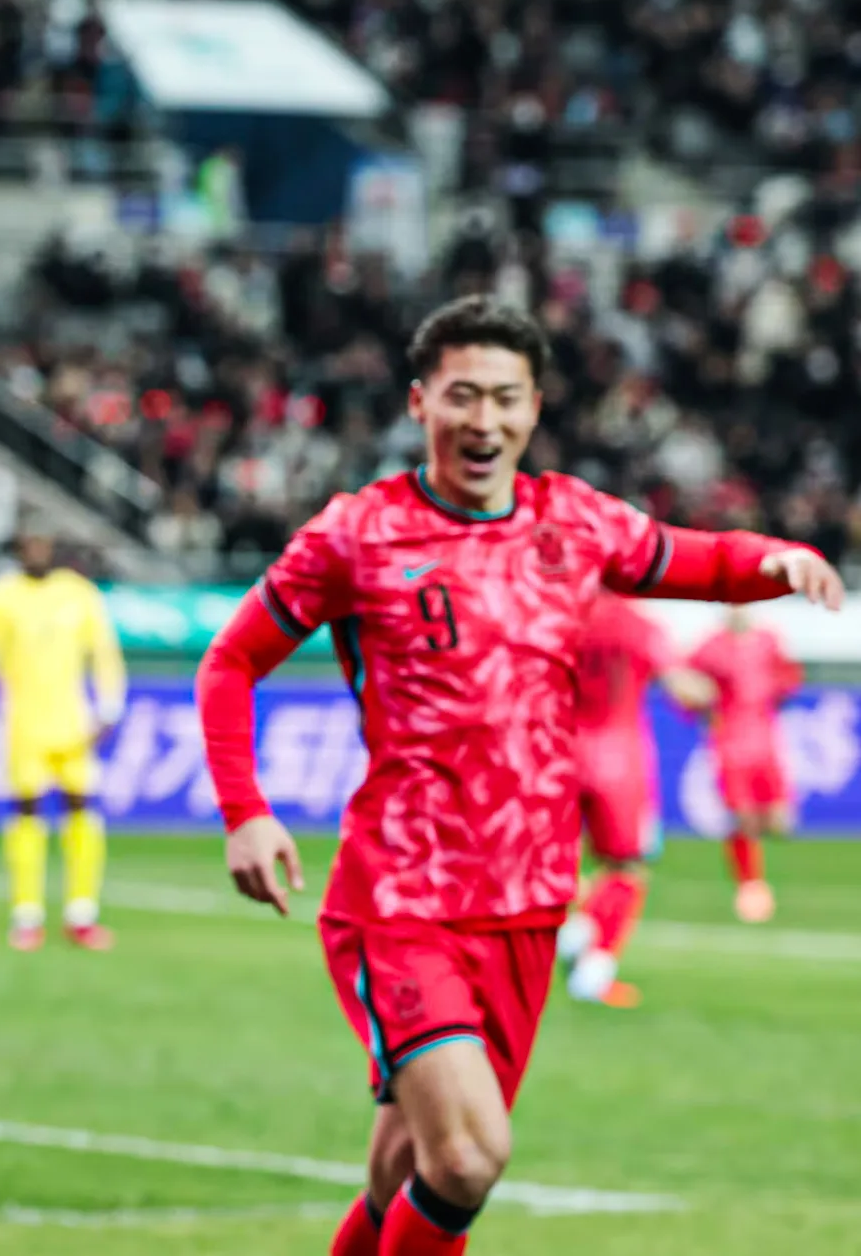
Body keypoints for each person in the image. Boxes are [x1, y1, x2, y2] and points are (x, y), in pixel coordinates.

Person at [194, 295, 842, 1256]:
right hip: (403, 898)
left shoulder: (573, 521)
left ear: (535, 408)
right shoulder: (357, 534)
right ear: (419, 402)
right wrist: (244, 809)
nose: (484, 420)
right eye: (462, 395)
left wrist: (777, 559)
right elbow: (230, 661)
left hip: (530, 903)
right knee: (467, 1160)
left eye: (505, 399)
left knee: (404, 1172)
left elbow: (697, 560)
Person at [0, 532, 126, 951]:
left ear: (53, 549)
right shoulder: (4, 596)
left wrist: (109, 703)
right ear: (19, 551)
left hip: (75, 725)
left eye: (42, 545)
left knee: (82, 808)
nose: (36, 552)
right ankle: (27, 914)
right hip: (24, 727)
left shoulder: (78, 593)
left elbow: (104, 651)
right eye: (29, 546)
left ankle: (82, 913)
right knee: (27, 812)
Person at [556, 593, 716, 1008]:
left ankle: (577, 928)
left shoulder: (560, 614)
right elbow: (685, 688)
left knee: (557, 860)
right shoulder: (639, 624)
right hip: (618, 757)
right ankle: (593, 969)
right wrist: (713, 697)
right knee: (627, 867)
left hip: (559, 752)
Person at [687, 606, 804, 924]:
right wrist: (702, 704)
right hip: (730, 742)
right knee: (743, 818)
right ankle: (750, 886)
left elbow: (789, 678)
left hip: (765, 739)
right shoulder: (710, 646)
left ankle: (754, 875)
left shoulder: (768, 640)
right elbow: (686, 682)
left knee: (780, 822)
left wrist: (780, 689)